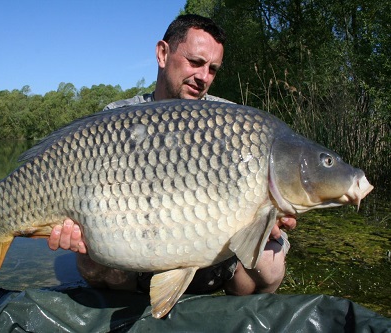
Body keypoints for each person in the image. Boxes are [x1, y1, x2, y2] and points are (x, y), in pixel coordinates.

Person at [48, 14, 296, 296]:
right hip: (136, 260)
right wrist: (78, 230)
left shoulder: (232, 123)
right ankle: (131, 318)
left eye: (213, 69)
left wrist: (268, 219)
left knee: (271, 263)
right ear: (163, 53)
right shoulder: (115, 120)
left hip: (213, 260)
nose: (203, 77)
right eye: (195, 62)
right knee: (91, 259)